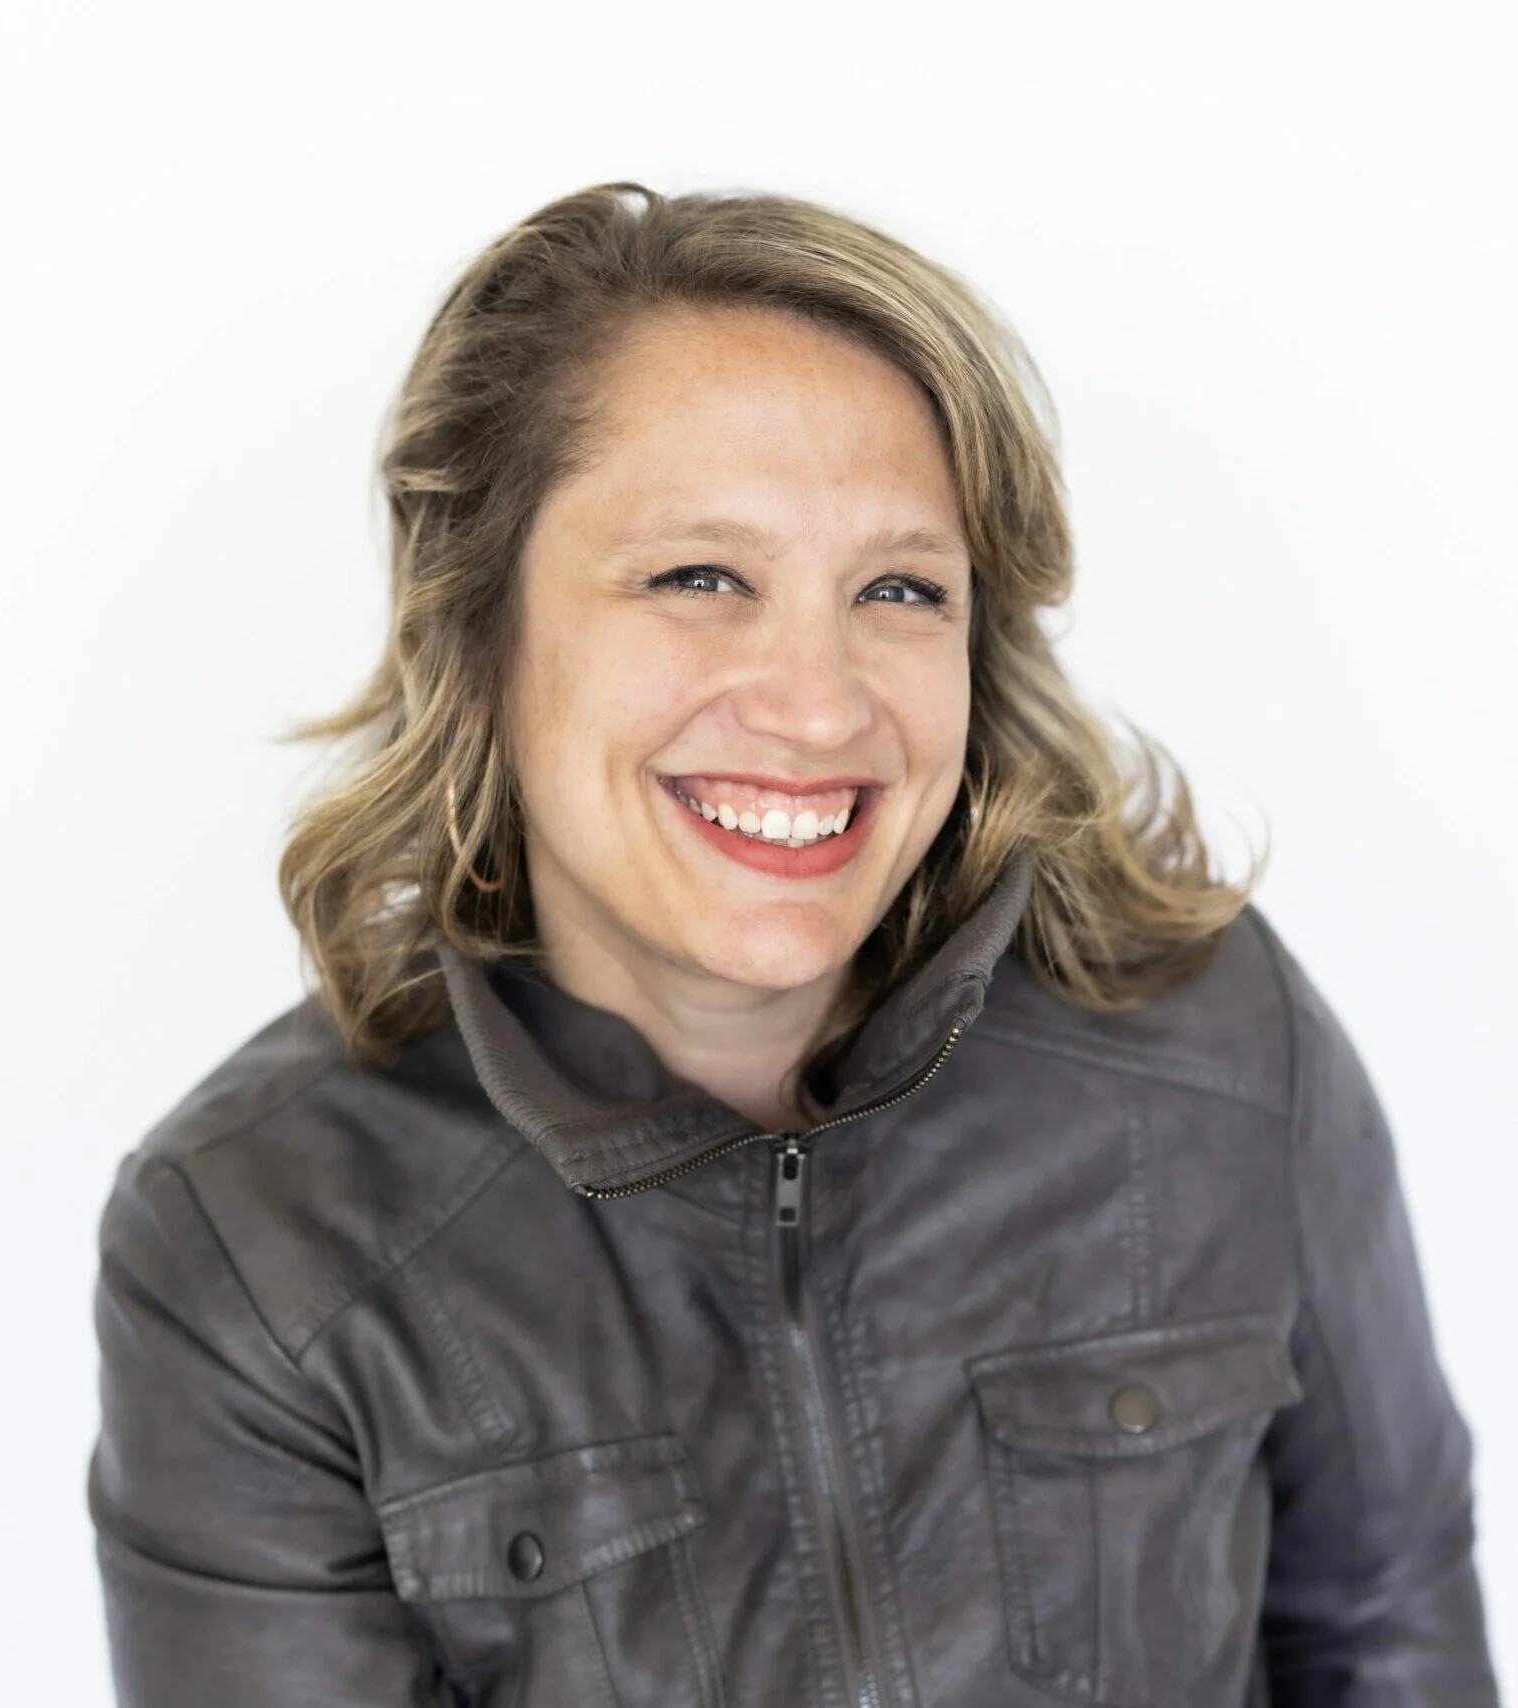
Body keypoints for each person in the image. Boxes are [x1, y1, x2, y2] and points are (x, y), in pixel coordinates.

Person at [87, 183, 1501, 1707]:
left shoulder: (1218, 1041)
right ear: (478, 633)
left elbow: (1386, 1642)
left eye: (899, 589)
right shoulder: (256, 1240)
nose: (820, 706)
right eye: (701, 578)